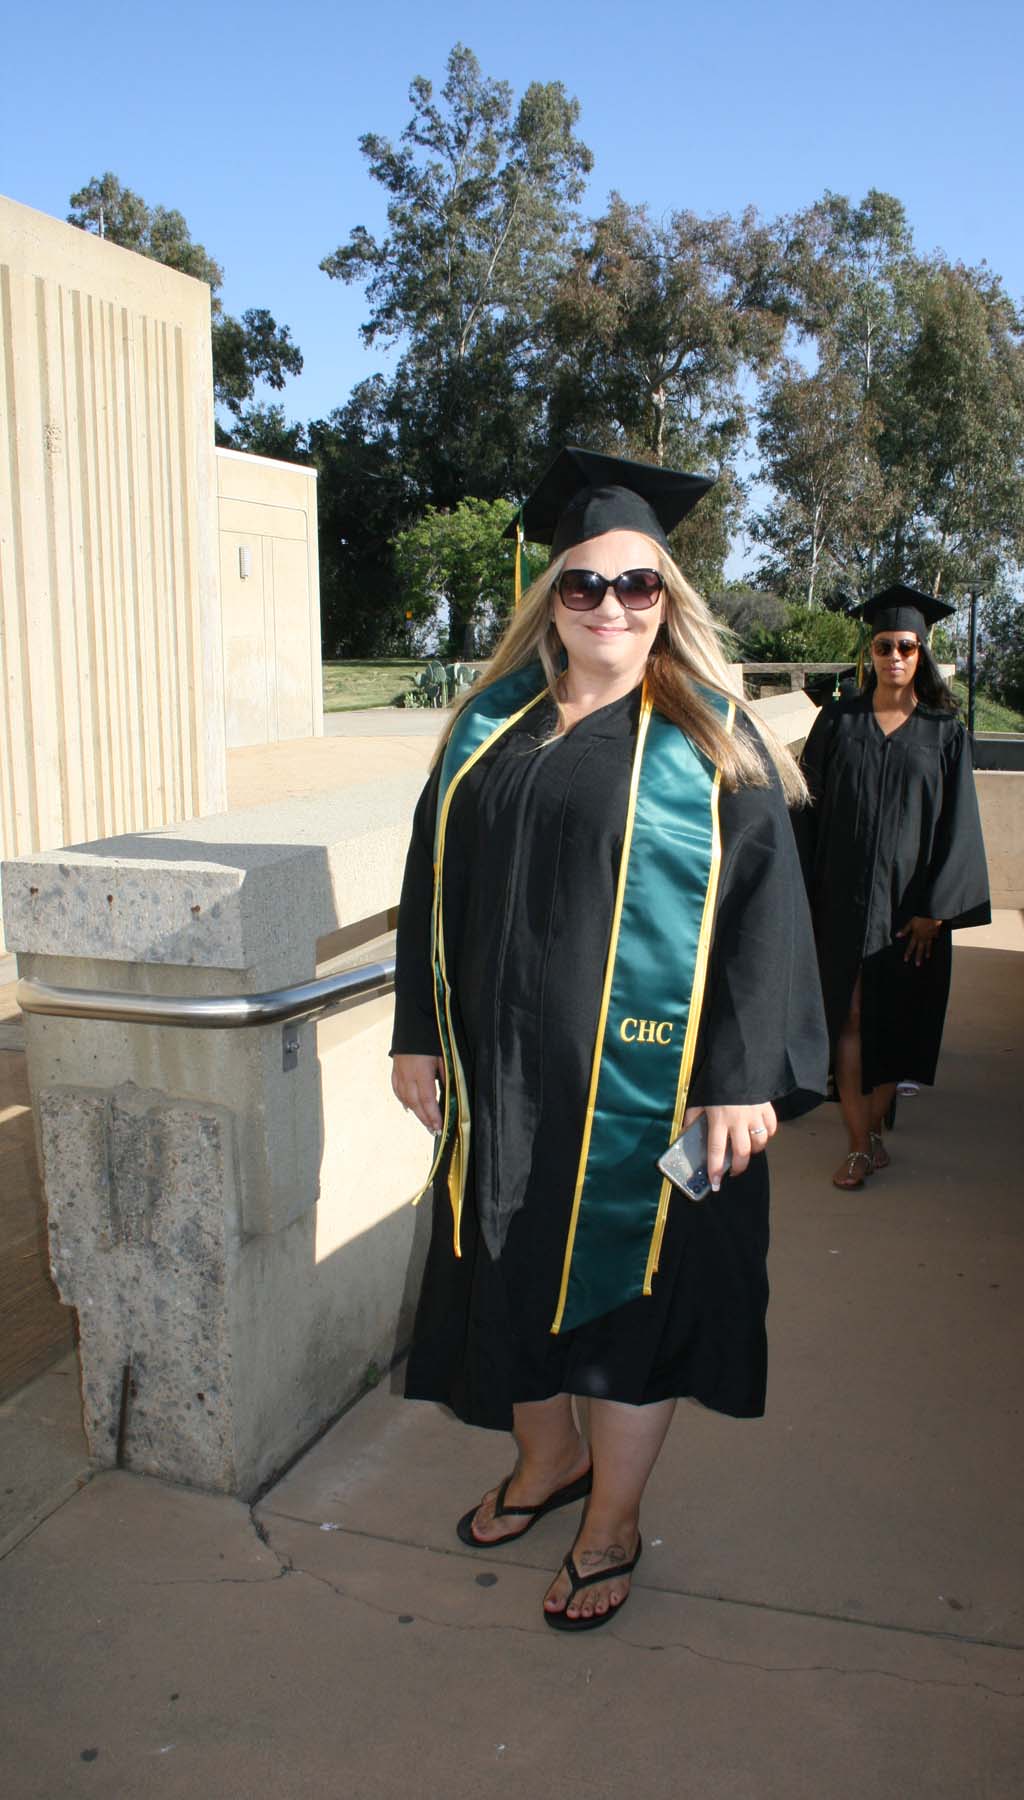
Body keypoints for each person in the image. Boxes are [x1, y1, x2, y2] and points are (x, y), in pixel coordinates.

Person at [390, 448, 827, 1631]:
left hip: (657, 1097)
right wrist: (418, 1033)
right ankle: (550, 1465)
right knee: (506, 1284)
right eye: (584, 585)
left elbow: (766, 921)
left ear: (669, 601)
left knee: (634, 1312)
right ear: (552, 598)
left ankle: (613, 1518)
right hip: (505, 1087)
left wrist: (743, 1080)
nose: (611, 607)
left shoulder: (708, 736)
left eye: (638, 586)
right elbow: (432, 885)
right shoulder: (489, 729)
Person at [796, 584, 991, 1190]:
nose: (895, 656)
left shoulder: (945, 732)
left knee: (893, 1023)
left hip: (911, 915)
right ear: (871, 652)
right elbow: (804, 809)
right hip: (843, 904)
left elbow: (960, 825)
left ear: (922, 653)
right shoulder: (838, 722)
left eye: (907, 646)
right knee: (849, 1016)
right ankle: (858, 1144)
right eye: (885, 646)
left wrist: (937, 910)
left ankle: (874, 1128)